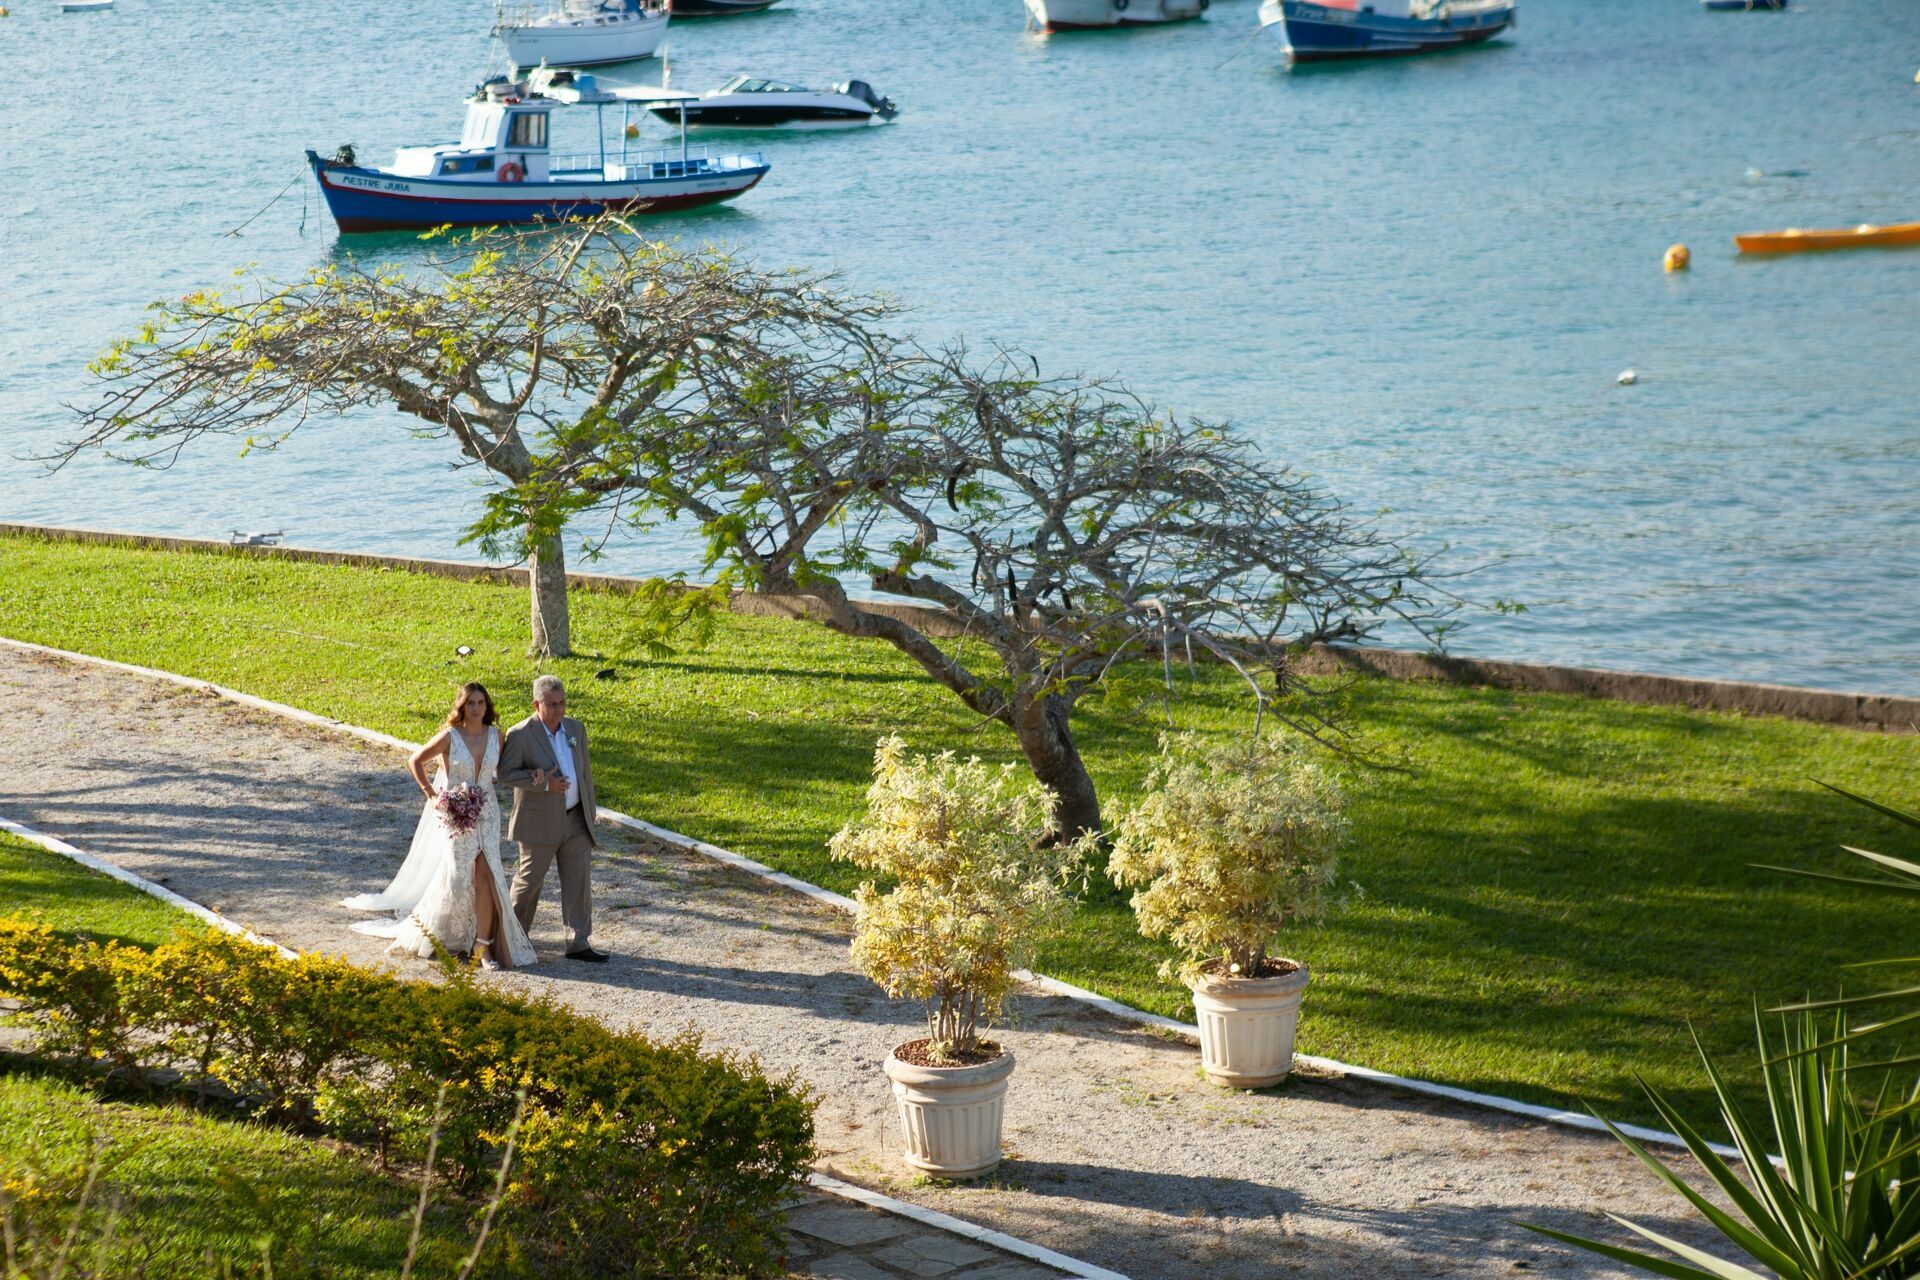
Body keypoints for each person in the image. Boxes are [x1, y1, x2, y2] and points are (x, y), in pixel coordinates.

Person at [342, 682, 536, 969]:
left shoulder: (497, 735)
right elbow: (415, 760)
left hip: (488, 811)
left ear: (487, 706)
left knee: (487, 874)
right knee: (459, 877)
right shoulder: (450, 737)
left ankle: (483, 946)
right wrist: (432, 795)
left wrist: (535, 775)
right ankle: (449, 934)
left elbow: (505, 770)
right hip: (456, 812)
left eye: (481, 702)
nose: (476, 708)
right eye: (470, 702)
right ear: (462, 706)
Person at [498, 675, 607, 963]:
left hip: (575, 818)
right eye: (552, 704)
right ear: (536, 704)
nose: (559, 709)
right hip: (538, 821)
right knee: (529, 881)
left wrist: (589, 809)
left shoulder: (576, 729)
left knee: (579, 880)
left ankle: (578, 942)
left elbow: (584, 773)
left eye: (562, 703)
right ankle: (513, 939)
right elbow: (506, 774)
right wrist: (544, 783)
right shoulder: (520, 734)